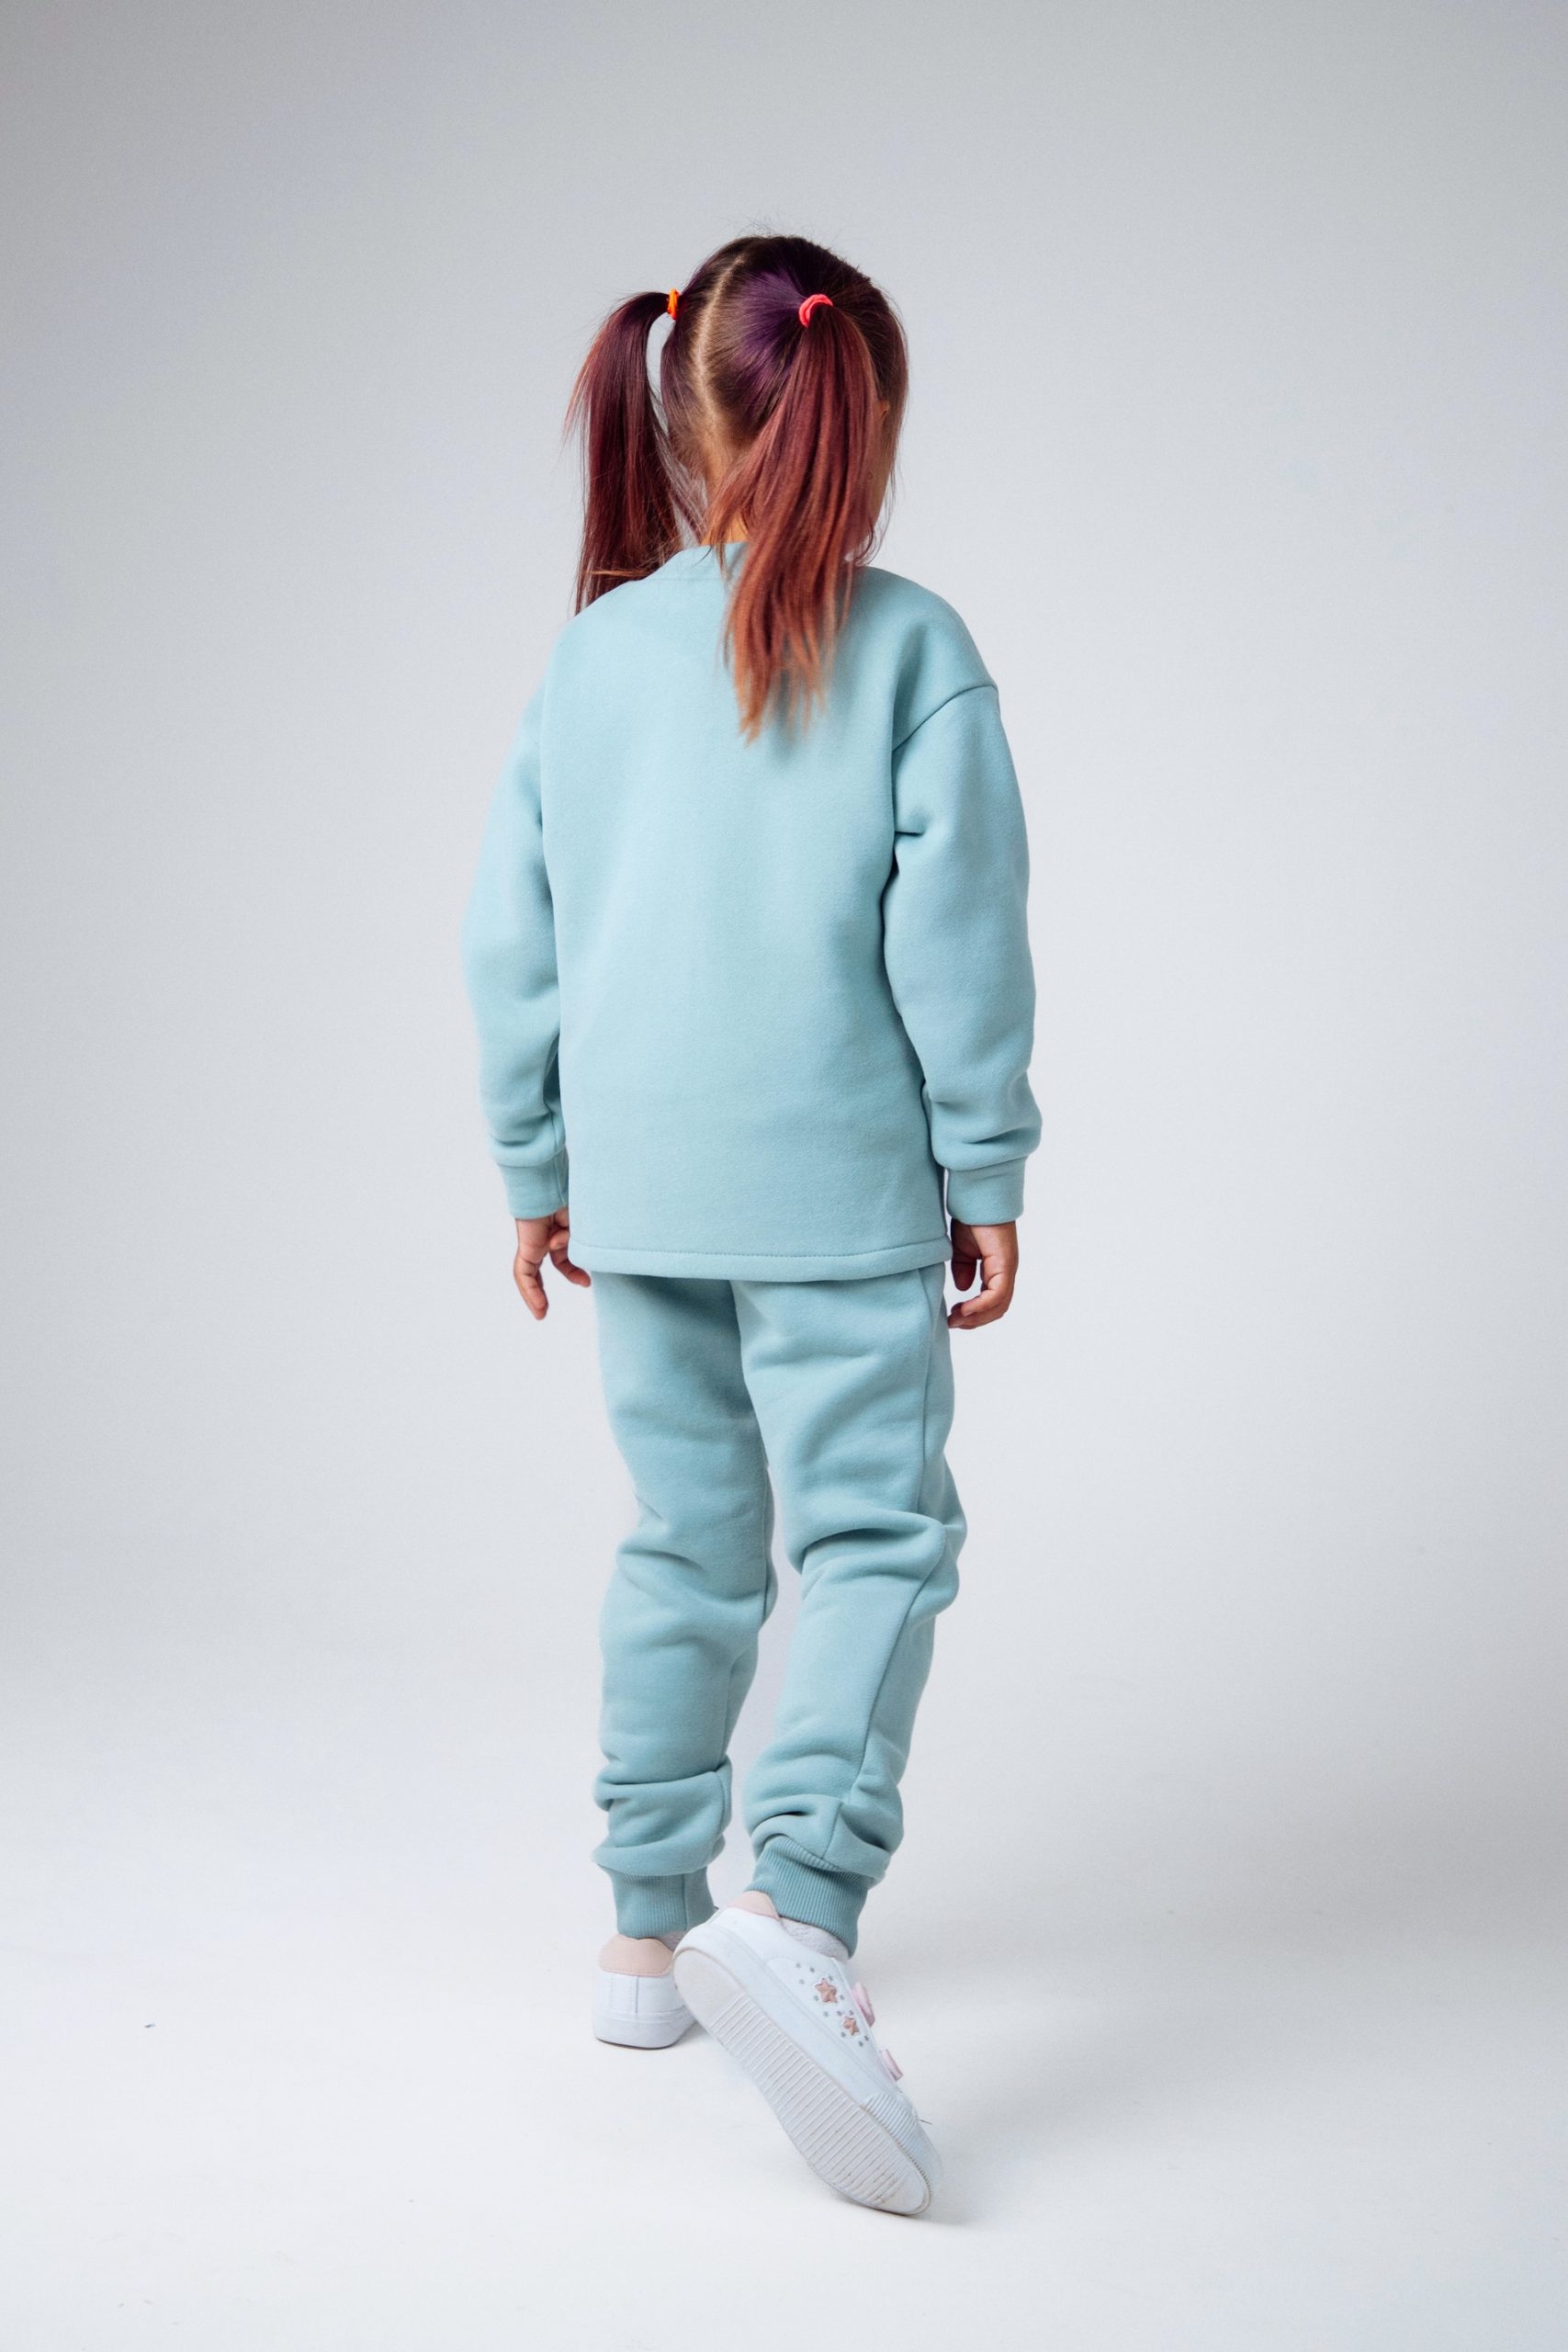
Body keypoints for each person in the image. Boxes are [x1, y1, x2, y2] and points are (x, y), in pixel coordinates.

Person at [461, 232, 1039, 2215]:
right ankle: (796, 1909)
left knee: (687, 1543)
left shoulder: (590, 656)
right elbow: (958, 941)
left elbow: (513, 930)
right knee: (875, 1536)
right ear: (860, 418)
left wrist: (534, 1165)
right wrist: (986, 1168)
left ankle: (643, 1937)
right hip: (838, 1192)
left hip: (640, 1189)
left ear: (675, 414)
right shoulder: (913, 646)